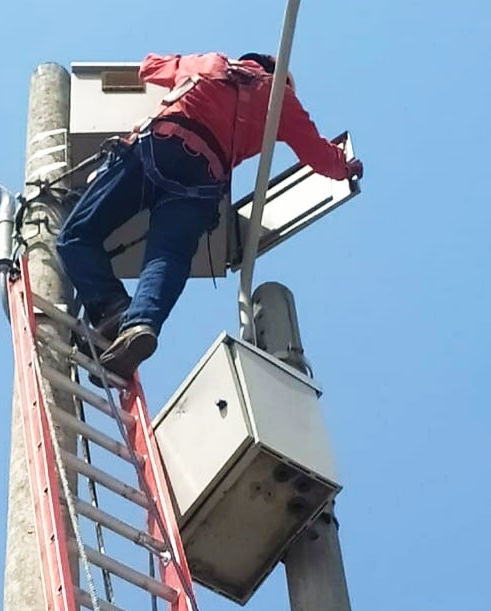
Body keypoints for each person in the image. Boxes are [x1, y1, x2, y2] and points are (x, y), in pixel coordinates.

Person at [56, 52, 363, 380]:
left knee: (75, 237)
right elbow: (317, 152)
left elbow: (149, 67)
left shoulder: (212, 63)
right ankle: (139, 323)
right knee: (168, 255)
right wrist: (346, 167)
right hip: (204, 178)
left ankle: (112, 306)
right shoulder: (281, 99)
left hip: (160, 146)